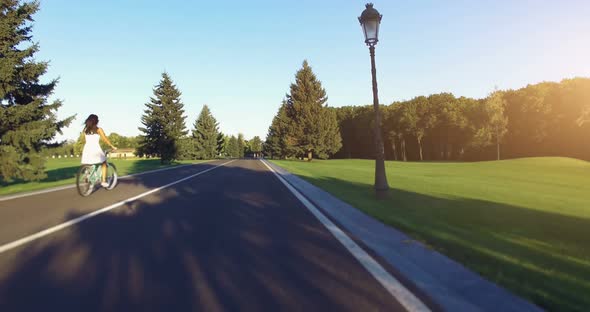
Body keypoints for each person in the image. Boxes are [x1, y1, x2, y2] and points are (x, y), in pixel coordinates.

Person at [80, 114, 117, 187]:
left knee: (89, 163)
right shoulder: (99, 129)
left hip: (87, 149)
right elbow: (105, 139)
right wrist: (112, 146)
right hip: (95, 149)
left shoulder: (85, 130)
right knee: (104, 163)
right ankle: (103, 181)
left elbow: (85, 140)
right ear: (96, 121)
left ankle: (87, 175)